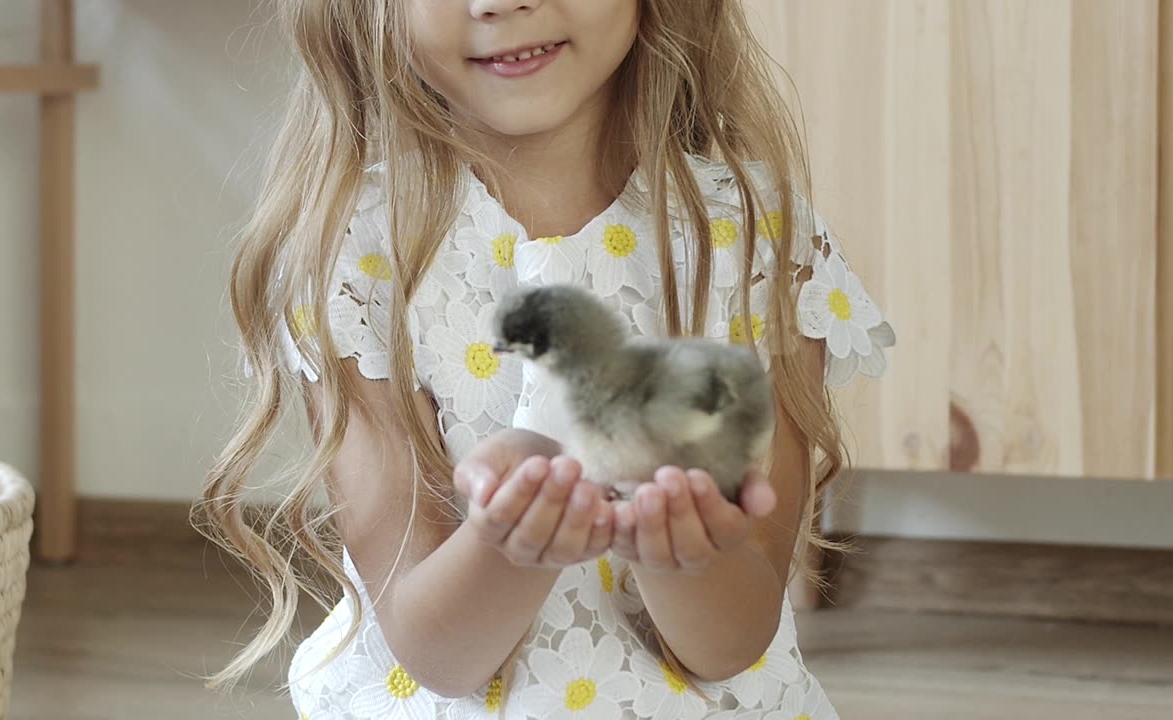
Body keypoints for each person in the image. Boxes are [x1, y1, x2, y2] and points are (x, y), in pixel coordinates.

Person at [200, 1, 895, 718]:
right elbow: (440, 656)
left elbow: (732, 645)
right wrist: (510, 543)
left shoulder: (756, 239)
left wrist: (688, 549)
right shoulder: (352, 259)